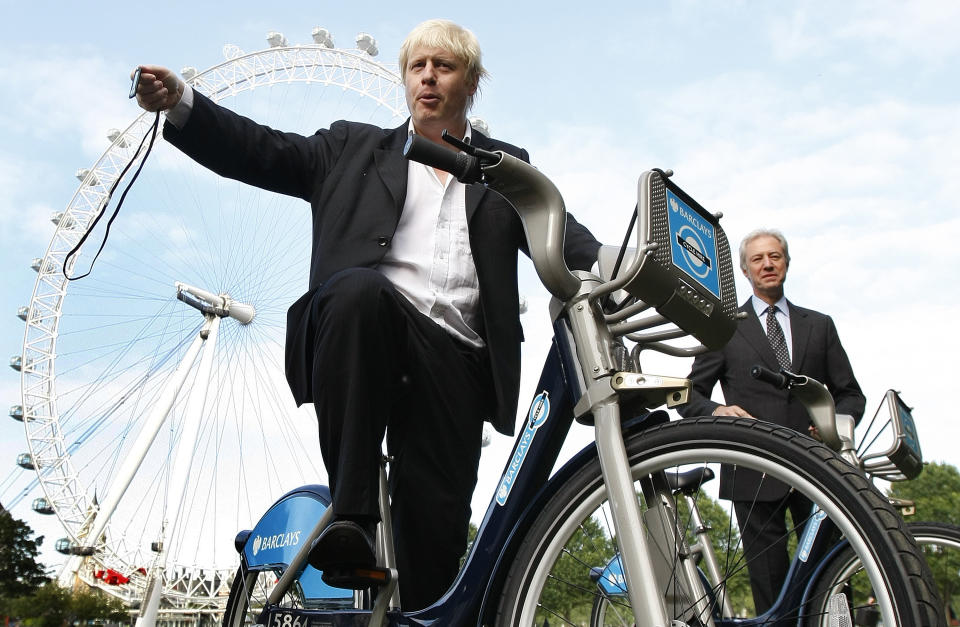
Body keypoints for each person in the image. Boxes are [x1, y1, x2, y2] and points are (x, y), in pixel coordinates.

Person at [132, 19, 600, 610]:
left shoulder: (506, 170)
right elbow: (260, 150)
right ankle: (349, 516)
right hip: (368, 332)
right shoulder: (349, 147)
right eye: (417, 66)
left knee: (436, 535)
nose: (428, 77)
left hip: (458, 361)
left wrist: (628, 267)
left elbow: (566, 237)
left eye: (445, 66)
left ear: (472, 83)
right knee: (357, 291)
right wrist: (183, 106)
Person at [677, 228, 865, 615]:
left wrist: (835, 425)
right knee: (770, 586)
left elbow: (850, 394)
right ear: (745, 270)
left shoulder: (820, 325)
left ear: (787, 264)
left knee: (833, 579)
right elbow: (689, 395)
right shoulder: (724, 327)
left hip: (818, 468)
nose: (767, 264)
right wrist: (716, 411)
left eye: (775, 256)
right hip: (753, 470)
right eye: (758, 259)